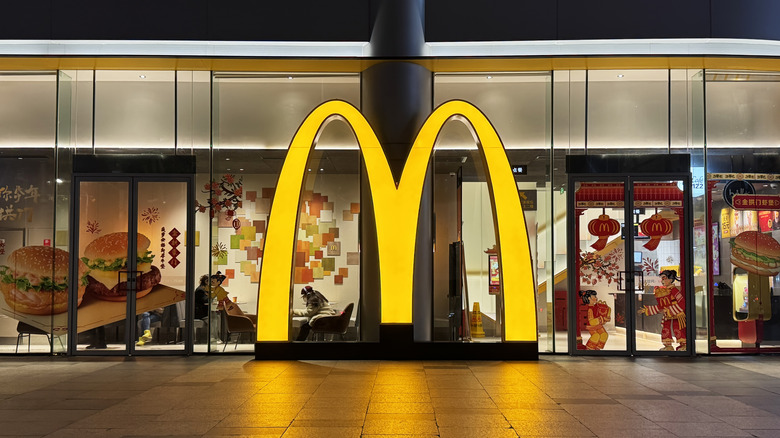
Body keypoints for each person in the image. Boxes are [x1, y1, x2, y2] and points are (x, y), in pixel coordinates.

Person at [638, 269, 686, 351]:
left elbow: (682, 303)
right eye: (662, 279)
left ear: (670, 279)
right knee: (665, 329)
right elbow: (661, 307)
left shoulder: (674, 290)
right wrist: (648, 309)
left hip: (677, 314)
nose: (662, 281)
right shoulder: (664, 291)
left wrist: (669, 310)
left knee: (677, 328)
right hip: (668, 315)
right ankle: (668, 346)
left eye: (664, 278)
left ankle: (684, 345)